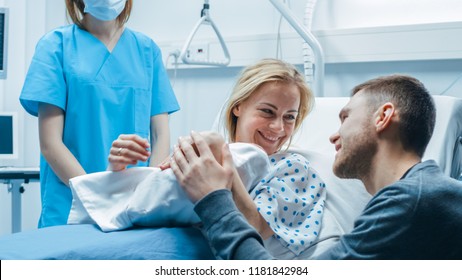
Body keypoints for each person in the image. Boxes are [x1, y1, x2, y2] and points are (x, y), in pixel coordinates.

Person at [170, 74, 462, 259]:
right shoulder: (409, 201)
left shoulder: (412, 203)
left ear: (383, 116)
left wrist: (213, 198)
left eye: (345, 118)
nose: (334, 135)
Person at [107, 58, 327, 258]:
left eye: (289, 117)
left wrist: (221, 174)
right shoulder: (207, 152)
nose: (278, 127)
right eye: (267, 111)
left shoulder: (293, 169)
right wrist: (119, 175)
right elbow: (155, 205)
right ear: (238, 106)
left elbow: (255, 228)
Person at [19, 0, 180, 228]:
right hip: (71, 205)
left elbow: (160, 135)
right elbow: (50, 143)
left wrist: (147, 197)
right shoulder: (55, 46)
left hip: (133, 206)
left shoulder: (146, 50)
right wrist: (97, 200)